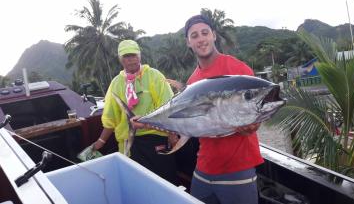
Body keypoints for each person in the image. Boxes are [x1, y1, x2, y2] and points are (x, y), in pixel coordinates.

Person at [183, 15, 264, 204]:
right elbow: (191, 123)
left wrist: (255, 124)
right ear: (188, 42)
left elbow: (256, 108)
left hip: (238, 169)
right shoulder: (192, 82)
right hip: (203, 168)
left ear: (214, 35)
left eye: (205, 33)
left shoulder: (238, 70)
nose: (200, 39)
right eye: (194, 36)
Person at [93, 39, 178, 185]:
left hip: (155, 136)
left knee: (164, 182)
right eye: (126, 56)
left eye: (133, 55)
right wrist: (100, 141)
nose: (131, 59)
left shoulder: (154, 76)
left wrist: (172, 134)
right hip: (128, 142)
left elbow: (168, 107)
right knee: (138, 183)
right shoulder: (116, 83)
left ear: (139, 56)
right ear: (120, 59)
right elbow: (111, 117)